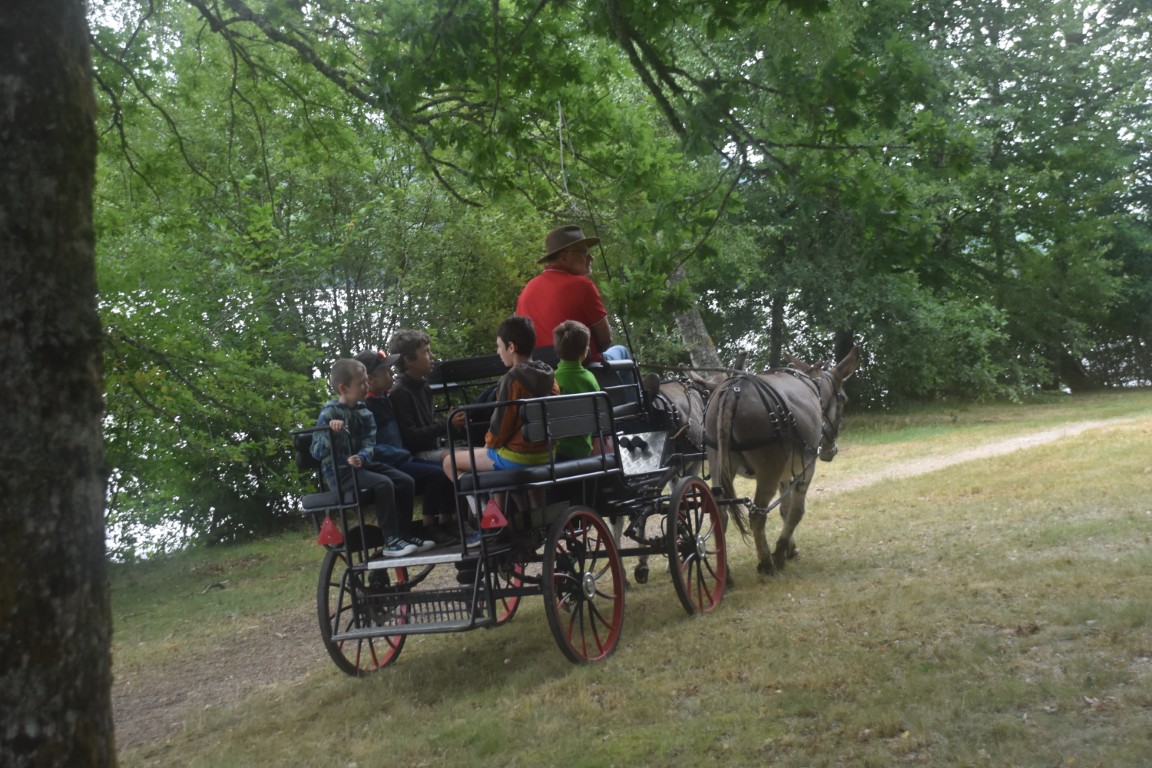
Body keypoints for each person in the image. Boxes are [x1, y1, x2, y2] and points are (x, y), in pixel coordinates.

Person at [443, 315, 559, 526]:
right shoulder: (549, 377)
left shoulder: (512, 379)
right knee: (494, 460)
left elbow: (501, 425)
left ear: (511, 347)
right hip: (545, 453)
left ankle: (484, 514)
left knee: (449, 462)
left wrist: (489, 444)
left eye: (499, 346)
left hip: (519, 456)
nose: (498, 352)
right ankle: (536, 522)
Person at [310, 359, 430, 557]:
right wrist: (330, 434)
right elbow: (316, 451)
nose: (367, 387)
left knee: (405, 481)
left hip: (363, 466)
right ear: (343, 388)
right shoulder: (329, 412)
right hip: (340, 474)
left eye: (367, 381)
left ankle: (404, 534)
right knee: (383, 484)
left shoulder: (365, 412)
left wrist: (362, 458)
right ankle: (391, 539)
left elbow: (369, 443)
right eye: (361, 383)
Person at [354, 349, 461, 547]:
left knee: (444, 469)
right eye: (386, 371)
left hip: (401, 459)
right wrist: (399, 453)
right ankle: (430, 526)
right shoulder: (366, 407)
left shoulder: (383, 399)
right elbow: (371, 446)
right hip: (389, 462)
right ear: (370, 379)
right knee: (436, 475)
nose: (392, 374)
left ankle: (447, 521)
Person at [515, 224, 630, 364]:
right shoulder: (583, 285)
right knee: (621, 351)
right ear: (564, 258)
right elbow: (605, 340)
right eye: (584, 252)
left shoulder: (526, 290)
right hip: (586, 368)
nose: (590, 258)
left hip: (543, 375)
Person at [387, 329, 468, 462]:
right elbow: (411, 437)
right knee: (471, 457)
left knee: (478, 453)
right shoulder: (399, 392)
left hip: (433, 450)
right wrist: (447, 423)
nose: (432, 356)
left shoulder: (424, 387)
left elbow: (430, 429)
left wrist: (454, 424)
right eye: (426, 352)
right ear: (409, 360)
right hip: (416, 455)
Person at [551, 320, 602, 460]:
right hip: (583, 451)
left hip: (557, 453)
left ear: (557, 350)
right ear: (584, 352)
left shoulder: (552, 380)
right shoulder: (590, 378)